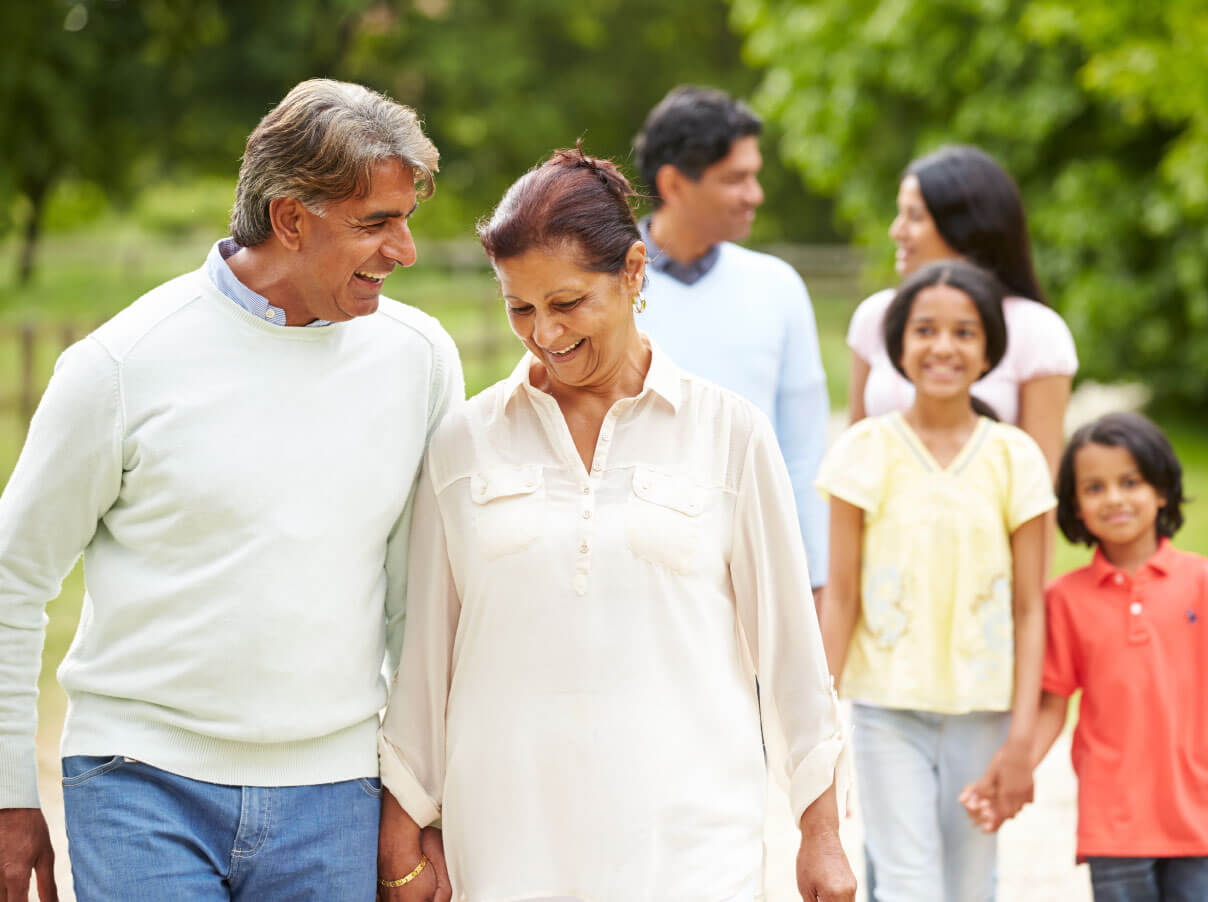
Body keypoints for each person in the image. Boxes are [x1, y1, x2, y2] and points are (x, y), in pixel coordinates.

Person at [0, 78, 463, 901]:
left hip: (336, 795)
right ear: (291, 218)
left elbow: (418, 603)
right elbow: (13, 580)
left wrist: (417, 802)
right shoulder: (120, 366)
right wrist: (7, 796)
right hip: (138, 785)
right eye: (375, 224)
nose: (405, 251)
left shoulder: (419, 359)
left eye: (407, 220)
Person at [375, 148, 855, 902]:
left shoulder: (729, 434)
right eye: (519, 308)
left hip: (692, 846)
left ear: (634, 272)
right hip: (509, 848)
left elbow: (792, 653)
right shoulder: (464, 444)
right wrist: (404, 827)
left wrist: (821, 835)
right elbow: (426, 657)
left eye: (567, 304)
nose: (544, 332)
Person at [818, 260, 1054, 901]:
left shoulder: (1016, 458)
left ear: (988, 353)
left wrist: (1022, 739)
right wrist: (820, 719)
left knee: (972, 885)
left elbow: (1032, 607)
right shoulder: (864, 452)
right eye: (925, 330)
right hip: (886, 709)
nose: (943, 346)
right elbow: (839, 596)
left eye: (964, 332)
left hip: (986, 711)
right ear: (898, 345)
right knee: (907, 883)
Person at [961, 412, 1207, 901]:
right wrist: (1012, 771)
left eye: (1130, 482)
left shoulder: (1200, 581)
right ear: (1074, 505)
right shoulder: (1065, 599)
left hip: (1200, 819)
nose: (1113, 498)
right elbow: (1053, 704)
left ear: (1161, 490)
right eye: (1094, 488)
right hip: (1113, 829)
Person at [632, 85, 829, 605]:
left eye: (754, 175)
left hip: (752, 573)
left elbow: (804, 451)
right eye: (736, 179)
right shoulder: (601, 284)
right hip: (632, 573)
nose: (755, 194)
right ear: (674, 182)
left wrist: (814, 579)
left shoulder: (779, 287)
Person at [847, 145, 1076, 479]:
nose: (896, 231)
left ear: (966, 228)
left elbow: (1039, 482)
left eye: (914, 217)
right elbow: (853, 457)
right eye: (924, 331)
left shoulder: (1036, 330)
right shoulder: (876, 316)